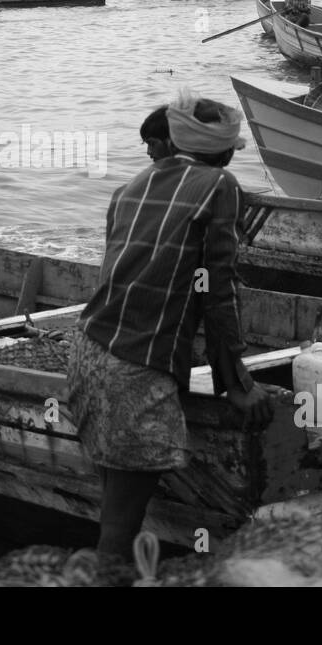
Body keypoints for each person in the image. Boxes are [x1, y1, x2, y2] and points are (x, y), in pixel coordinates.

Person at [66, 94, 275, 583]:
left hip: (90, 352)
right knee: (119, 530)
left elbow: (144, 275)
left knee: (117, 513)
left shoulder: (129, 187)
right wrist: (237, 382)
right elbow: (217, 293)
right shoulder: (220, 186)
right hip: (133, 371)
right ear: (223, 154)